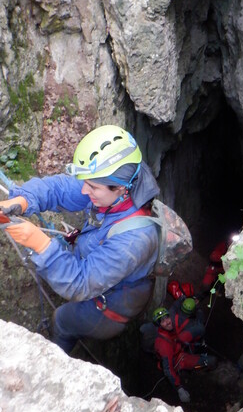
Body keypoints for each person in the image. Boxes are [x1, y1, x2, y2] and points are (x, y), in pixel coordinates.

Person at [0, 124, 160, 353]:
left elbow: (80, 284)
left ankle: (58, 363)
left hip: (108, 309)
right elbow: (60, 189)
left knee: (62, 320)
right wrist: (25, 199)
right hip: (100, 274)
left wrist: (41, 245)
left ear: (121, 189)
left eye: (92, 186)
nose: (84, 191)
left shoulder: (136, 239)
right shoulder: (114, 183)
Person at [152, 307, 217, 403]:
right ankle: (201, 369)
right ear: (159, 325)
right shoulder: (164, 345)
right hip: (179, 359)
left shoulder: (169, 330)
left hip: (177, 342)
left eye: (167, 317)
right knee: (212, 361)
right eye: (162, 321)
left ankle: (198, 345)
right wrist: (179, 388)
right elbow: (168, 369)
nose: (167, 322)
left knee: (199, 329)